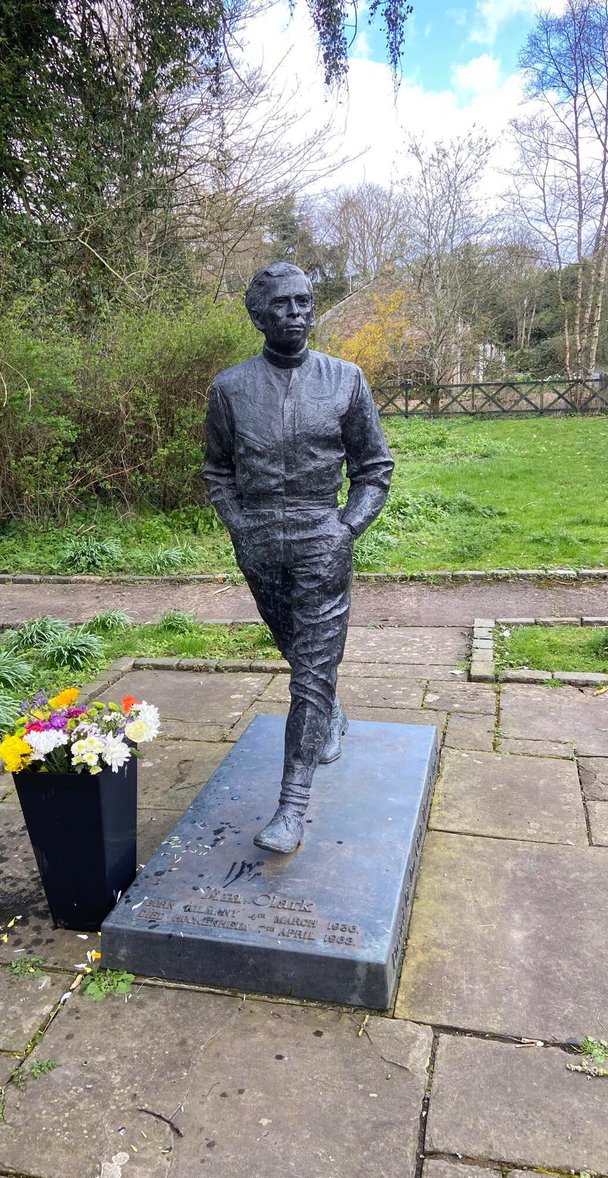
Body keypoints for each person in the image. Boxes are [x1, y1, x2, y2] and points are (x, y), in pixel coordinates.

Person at [203, 262, 394, 854]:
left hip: (320, 534)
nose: (296, 313)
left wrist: (346, 527)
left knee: (310, 669)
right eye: (282, 304)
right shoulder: (230, 388)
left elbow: (374, 469)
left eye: (305, 302)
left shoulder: (345, 379)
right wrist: (239, 527)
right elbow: (217, 470)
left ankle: (291, 806)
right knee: (294, 645)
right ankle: (329, 707)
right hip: (258, 538)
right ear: (259, 315)